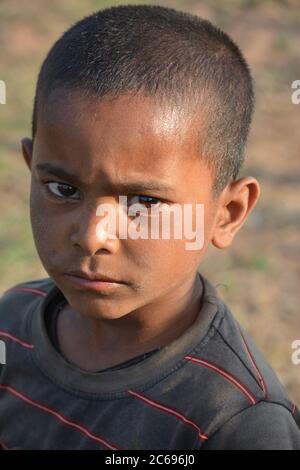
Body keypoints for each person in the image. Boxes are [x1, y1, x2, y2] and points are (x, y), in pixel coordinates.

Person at [0, 4, 299, 450]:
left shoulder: (235, 420)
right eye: (63, 189)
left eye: (143, 202)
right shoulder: (11, 322)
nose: (92, 236)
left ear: (228, 213)